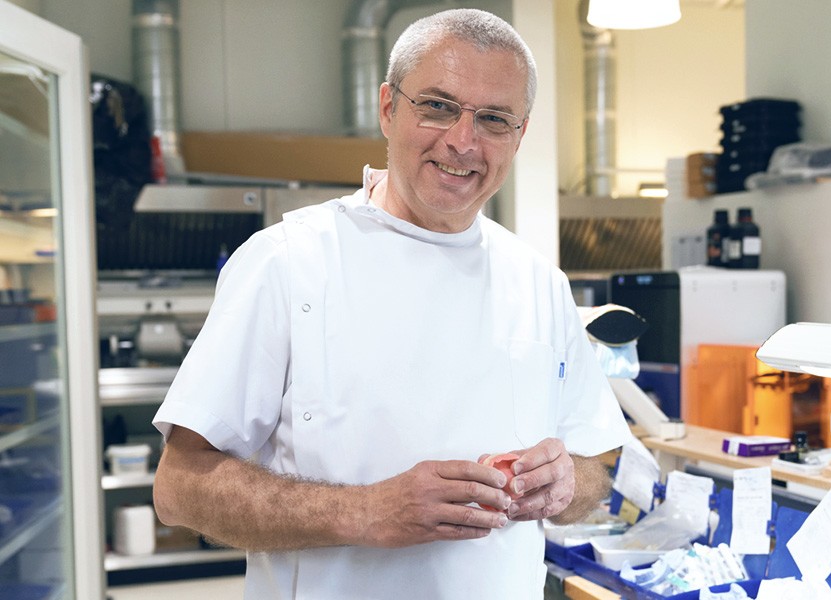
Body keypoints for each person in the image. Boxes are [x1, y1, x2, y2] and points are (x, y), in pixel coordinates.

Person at [152, 8, 632, 599]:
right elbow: (179, 486)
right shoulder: (287, 262)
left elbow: (598, 464)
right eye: (437, 106)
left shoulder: (540, 283)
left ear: (520, 134)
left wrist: (565, 484)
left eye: (493, 119)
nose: (463, 140)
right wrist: (364, 512)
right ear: (387, 107)